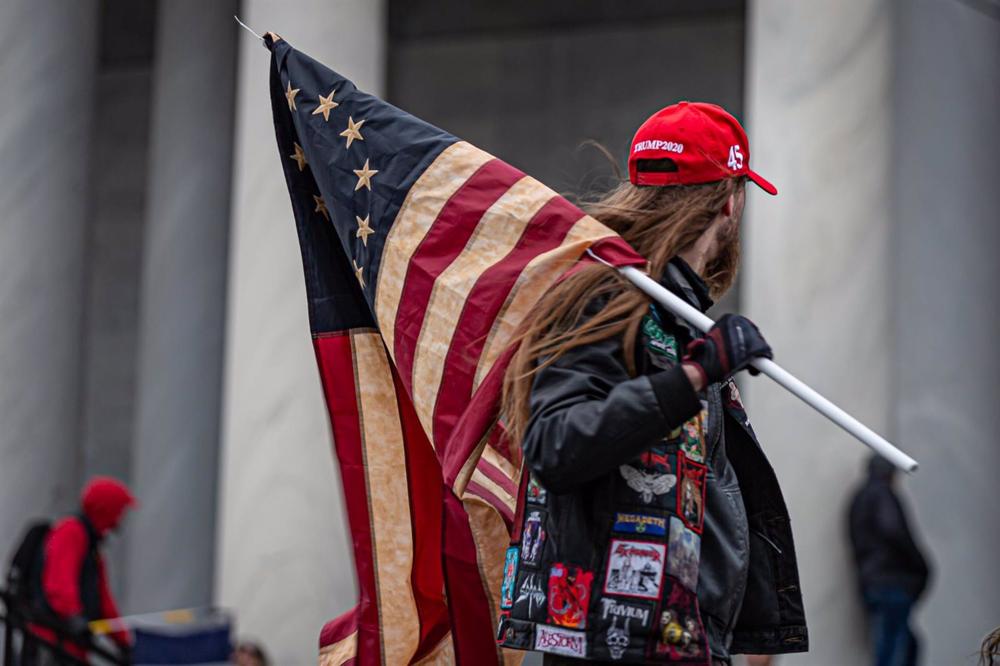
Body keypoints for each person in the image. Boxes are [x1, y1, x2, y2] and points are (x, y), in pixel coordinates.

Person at [495, 102, 807, 664]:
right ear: (730, 202)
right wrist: (694, 376)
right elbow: (556, 443)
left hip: (676, 638)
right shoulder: (607, 297)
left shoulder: (669, 310)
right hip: (617, 641)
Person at [21, 476, 136, 665]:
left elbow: (103, 602)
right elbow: (58, 585)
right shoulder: (71, 531)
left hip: (71, 646)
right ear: (107, 509)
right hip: (52, 642)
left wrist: (123, 641)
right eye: (119, 510)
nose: (120, 518)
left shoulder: (92, 546)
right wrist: (74, 618)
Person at [848, 456, 931, 666]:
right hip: (892, 581)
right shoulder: (882, 494)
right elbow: (893, 530)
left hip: (874, 581)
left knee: (903, 645)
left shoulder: (859, 498)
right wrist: (920, 566)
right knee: (893, 649)